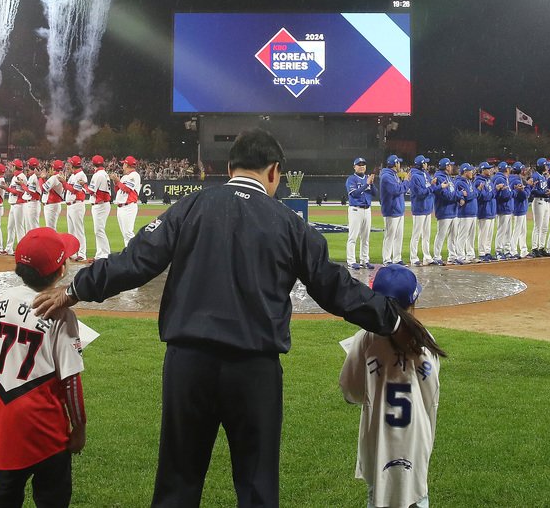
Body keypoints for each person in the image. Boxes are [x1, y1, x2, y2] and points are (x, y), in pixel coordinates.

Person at [30, 128, 406, 508]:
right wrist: (392, 319)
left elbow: (135, 261)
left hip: (188, 365)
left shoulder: (191, 206)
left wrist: (75, 290)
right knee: (257, 487)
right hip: (255, 369)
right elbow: (334, 286)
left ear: (229, 168)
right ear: (275, 171)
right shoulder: (289, 223)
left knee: (177, 484)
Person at [0, 227, 88, 508]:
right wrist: (79, 427)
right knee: (53, 494)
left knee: (6, 489)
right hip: (45, 422)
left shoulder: (3, 299)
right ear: (61, 269)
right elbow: (72, 381)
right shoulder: (62, 314)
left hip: (7, 413)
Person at [339, 265, 444, 508]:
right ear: (413, 301)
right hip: (416, 436)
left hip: (379, 438)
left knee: (380, 496)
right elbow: (431, 396)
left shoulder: (366, 338)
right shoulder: (424, 339)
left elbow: (350, 391)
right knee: (417, 494)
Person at [346, 157, 375, 269]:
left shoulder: (367, 178)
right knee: (353, 236)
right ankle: (351, 261)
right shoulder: (351, 179)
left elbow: (375, 192)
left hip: (367, 210)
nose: (362, 166)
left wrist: (371, 184)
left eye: (363, 164)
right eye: (359, 164)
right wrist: (366, 184)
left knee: (365, 237)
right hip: (355, 210)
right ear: (354, 167)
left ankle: (364, 260)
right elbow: (354, 194)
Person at [378, 155, 407, 266]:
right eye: (398, 163)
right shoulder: (386, 176)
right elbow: (396, 190)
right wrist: (406, 181)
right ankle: (387, 259)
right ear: (395, 164)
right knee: (390, 236)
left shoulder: (394, 175)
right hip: (391, 210)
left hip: (398, 210)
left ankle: (397, 258)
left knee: (398, 236)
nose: (400, 164)